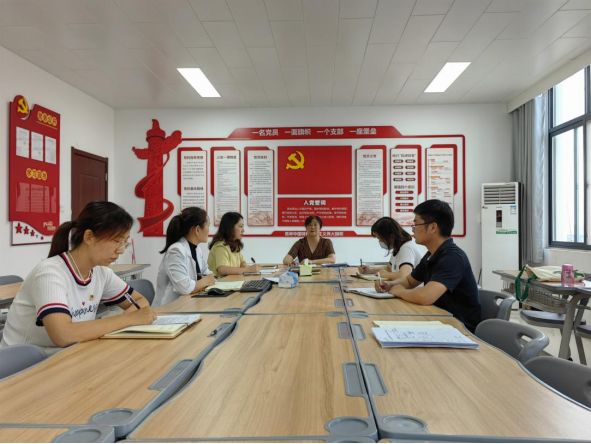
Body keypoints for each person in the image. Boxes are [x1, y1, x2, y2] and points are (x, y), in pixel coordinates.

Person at [1, 201, 157, 356]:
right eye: (117, 241)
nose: (121, 250)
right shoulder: (50, 273)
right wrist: (128, 320)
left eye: (124, 242)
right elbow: (63, 335)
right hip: (25, 364)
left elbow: (139, 301)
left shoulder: (101, 273)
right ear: (89, 237)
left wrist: (128, 319)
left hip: (70, 355)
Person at [376, 200, 482, 332]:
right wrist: (389, 285)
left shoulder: (453, 257)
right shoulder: (431, 255)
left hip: (459, 329)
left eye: (416, 224)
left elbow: (425, 297)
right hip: (439, 320)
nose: (413, 229)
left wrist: (400, 291)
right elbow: (409, 281)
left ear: (432, 227)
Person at [154, 207, 216, 307]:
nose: (209, 230)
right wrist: (206, 281)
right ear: (197, 230)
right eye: (208, 225)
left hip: (189, 303)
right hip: (169, 308)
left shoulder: (197, 249)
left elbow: (208, 274)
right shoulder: (176, 250)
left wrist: (206, 280)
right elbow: (184, 287)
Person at [359, 217, 425, 280]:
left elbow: (404, 275)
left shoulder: (406, 248)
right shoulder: (398, 248)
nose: (380, 242)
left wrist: (385, 274)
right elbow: (389, 268)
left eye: (381, 239)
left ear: (392, 237)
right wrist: (369, 270)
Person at [208, 212, 261, 277]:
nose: (243, 230)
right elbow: (222, 270)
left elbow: (242, 261)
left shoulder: (235, 245)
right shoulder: (221, 246)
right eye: (240, 226)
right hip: (220, 282)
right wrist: (248, 269)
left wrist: (243, 265)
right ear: (230, 227)